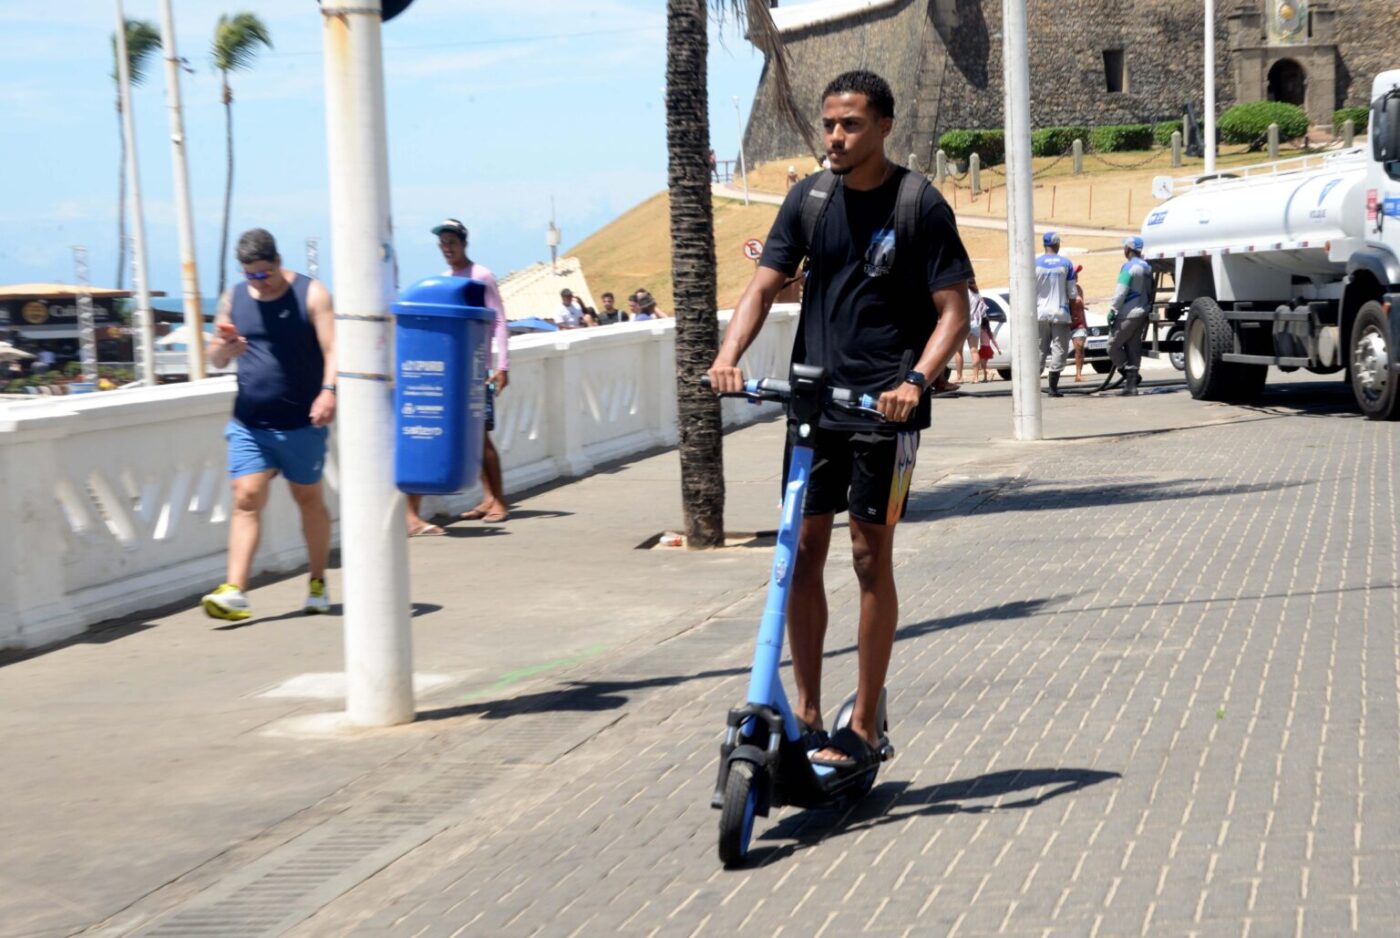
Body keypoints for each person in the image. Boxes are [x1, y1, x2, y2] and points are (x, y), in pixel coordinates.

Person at [708, 70, 972, 771]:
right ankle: (807, 710)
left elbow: (954, 310)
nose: (835, 136)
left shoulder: (919, 204)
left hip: (884, 411)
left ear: (883, 126)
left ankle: (864, 717)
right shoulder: (810, 199)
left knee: (866, 556)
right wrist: (727, 356)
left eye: (850, 124)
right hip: (813, 405)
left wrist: (916, 381)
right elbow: (763, 286)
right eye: (829, 124)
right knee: (799, 555)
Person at [201, 228, 337, 621]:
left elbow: (332, 349)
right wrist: (225, 350)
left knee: (308, 500)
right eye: (251, 276)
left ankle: (316, 581)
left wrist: (328, 392)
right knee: (246, 497)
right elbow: (216, 357)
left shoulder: (311, 293)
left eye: (264, 273)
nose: (258, 282)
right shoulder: (234, 298)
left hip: (301, 422)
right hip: (250, 421)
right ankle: (235, 591)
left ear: (278, 262)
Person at [404, 218, 511, 532]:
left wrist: (502, 365)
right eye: (442, 244)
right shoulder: (445, 281)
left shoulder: (482, 277)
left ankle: (500, 501)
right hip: (456, 371)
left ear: (464, 243)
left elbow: (500, 322)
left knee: (481, 437)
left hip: (481, 369)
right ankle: (487, 498)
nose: (447, 248)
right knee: (469, 437)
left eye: (452, 242)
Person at [1108, 236, 1155, 396]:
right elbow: (1151, 291)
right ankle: (1131, 386)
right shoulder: (1147, 267)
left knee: (1112, 346)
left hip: (1127, 314)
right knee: (1133, 347)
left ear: (1128, 250)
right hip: (1142, 312)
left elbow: (1121, 291)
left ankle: (1130, 378)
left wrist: (1113, 310)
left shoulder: (1128, 267)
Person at [1035, 231, 1076, 397]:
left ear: (1044, 245)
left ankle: (1032, 386)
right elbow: (1072, 293)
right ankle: (1053, 387)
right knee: (1060, 349)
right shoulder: (1066, 263)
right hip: (1061, 312)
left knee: (1039, 349)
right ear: (1058, 244)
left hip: (1039, 313)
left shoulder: (1034, 263)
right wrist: (1073, 314)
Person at [1069, 276, 1089, 381]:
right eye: (1074, 275)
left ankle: (1078, 374)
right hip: (1065, 322)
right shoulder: (1061, 289)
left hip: (1078, 323)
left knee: (1080, 347)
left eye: (1077, 275)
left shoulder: (1078, 288)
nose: (1076, 276)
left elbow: (1080, 304)